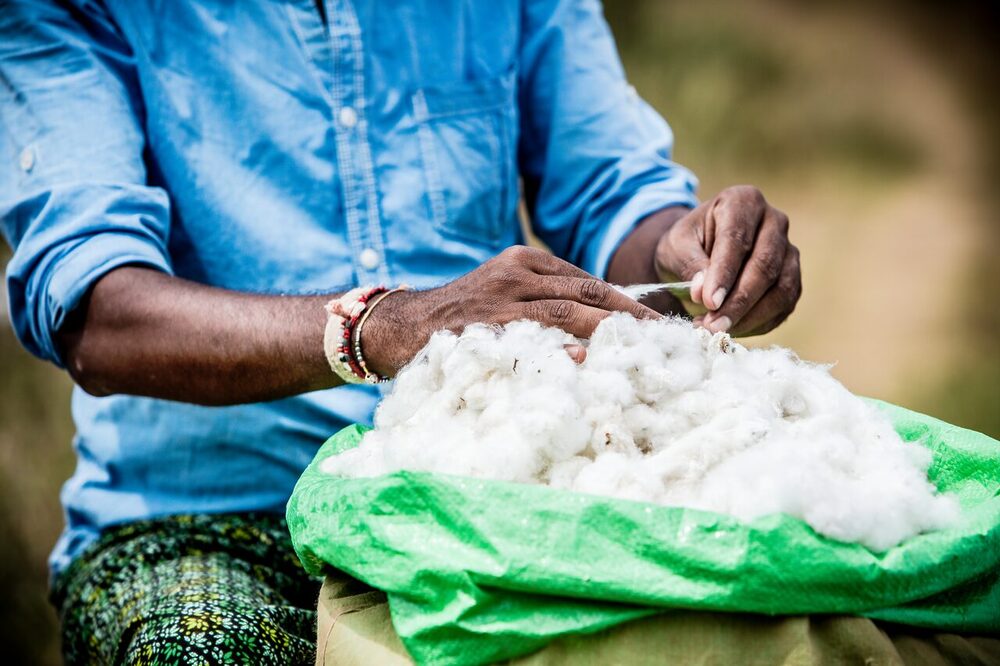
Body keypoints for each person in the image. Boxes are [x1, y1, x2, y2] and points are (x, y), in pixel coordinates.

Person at [0, 1, 800, 664]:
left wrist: (675, 251)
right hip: (209, 528)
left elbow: (606, 193)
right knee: (205, 651)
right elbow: (100, 313)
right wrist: (386, 326)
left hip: (492, 502)